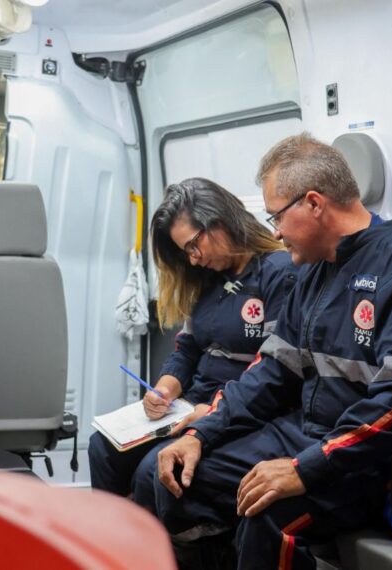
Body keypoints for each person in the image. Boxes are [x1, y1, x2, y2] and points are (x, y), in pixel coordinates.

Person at [137, 133, 392, 570]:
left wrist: (306, 467)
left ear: (314, 204)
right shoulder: (313, 272)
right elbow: (270, 372)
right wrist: (202, 434)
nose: (274, 232)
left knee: (267, 515)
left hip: (364, 460)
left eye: (277, 215)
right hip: (303, 431)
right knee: (171, 478)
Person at [88, 177, 297, 500]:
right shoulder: (206, 279)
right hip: (190, 402)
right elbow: (187, 350)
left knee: (150, 471)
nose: (194, 259)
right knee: (102, 447)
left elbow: (273, 371)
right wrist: (165, 389)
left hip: (239, 406)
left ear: (221, 221)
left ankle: (165, 548)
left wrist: (211, 412)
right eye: (186, 252)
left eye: (193, 245)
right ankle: (110, 547)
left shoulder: (277, 271)